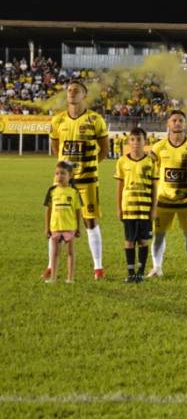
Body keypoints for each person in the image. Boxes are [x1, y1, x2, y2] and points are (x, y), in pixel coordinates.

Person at [48, 80, 110, 280]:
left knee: (90, 221)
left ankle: (98, 268)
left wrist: (89, 165)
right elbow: (56, 148)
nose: (72, 92)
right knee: (57, 222)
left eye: (77, 90)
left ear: (84, 95)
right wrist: (64, 170)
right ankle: (50, 267)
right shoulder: (58, 120)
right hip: (63, 182)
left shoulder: (95, 119)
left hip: (87, 180)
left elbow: (104, 150)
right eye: (69, 90)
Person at [147, 110, 187, 279]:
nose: (177, 123)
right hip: (163, 199)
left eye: (180, 120)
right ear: (168, 123)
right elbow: (152, 169)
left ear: (185, 124)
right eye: (174, 120)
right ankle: (157, 268)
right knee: (159, 235)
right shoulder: (159, 147)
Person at [114, 128, 157, 283]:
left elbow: (155, 187)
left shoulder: (151, 161)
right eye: (133, 139)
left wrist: (154, 208)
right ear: (128, 141)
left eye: (139, 139)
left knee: (143, 240)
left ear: (145, 141)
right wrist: (119, 208)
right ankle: (131, 272)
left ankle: (140, 272)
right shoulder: (122, 161)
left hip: (145, 208)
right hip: (128, 208)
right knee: (129, 240)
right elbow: (119, 186)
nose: (136, 143)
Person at [43, 161, 81, 283]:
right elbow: (48, 210)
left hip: (69, 227)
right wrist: (47, 228)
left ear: (70, 175)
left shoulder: (74, 192)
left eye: (63, 173)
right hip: (55, 227)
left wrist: (78, 228)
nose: (59, 176)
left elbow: (77, 211)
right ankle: (53, 277)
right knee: (54, 253)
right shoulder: (52, 191)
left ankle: (70, 278)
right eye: (57, 173)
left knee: (70, 253)